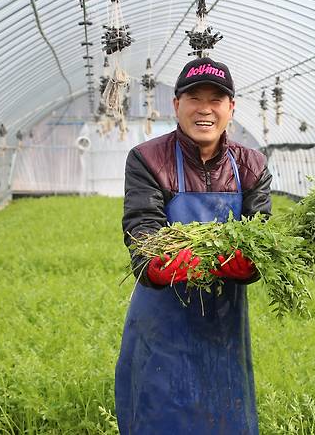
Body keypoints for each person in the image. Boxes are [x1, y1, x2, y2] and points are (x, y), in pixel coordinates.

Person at [116, 56, 272, 434]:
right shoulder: (147, 159)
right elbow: (142, 226)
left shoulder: (251, 164)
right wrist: (154, 262)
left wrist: (251, 264)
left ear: (230, 108)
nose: (205, 109)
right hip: (163, 317)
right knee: (160, 415)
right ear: (177, 105)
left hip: (223, 320)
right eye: (194, 98)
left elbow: (261, 233)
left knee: (223, 416)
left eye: (216, 100)